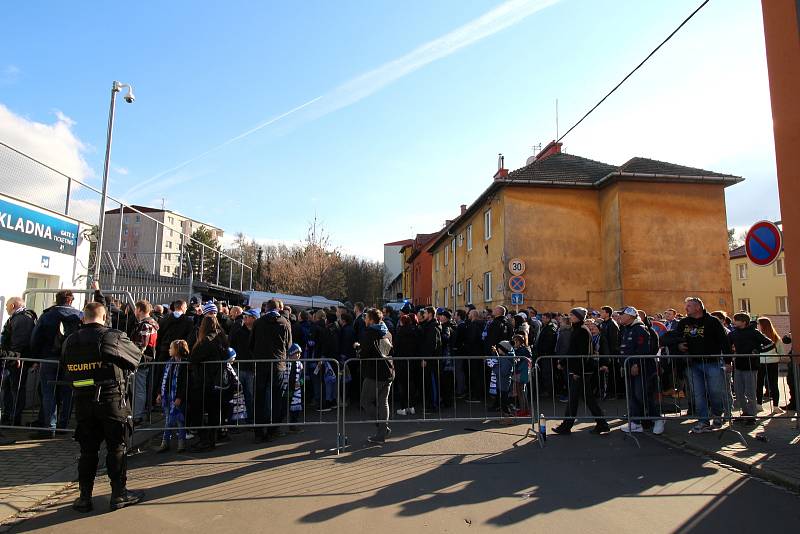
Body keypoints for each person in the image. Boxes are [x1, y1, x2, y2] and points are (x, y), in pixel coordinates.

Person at [61, 302, 144, 512]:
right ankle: (119, 494)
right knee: (116, 447)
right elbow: (136, 358)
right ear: (105, 316)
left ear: (84, 317)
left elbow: (65, 367)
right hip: (111, 400)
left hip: (82, 402)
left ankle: (84, 497)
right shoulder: (111, 336)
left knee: (88, 450)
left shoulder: (70, 340)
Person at [29, 289, 82, 437]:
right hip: (70, 359)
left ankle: (49, 426)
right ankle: (63, 425)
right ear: (71, 301)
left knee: (48, 392)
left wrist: (35, 357)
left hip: (49, 357)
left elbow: (36, 337)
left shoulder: (47, 315)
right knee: (68, 392)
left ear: (56, 300)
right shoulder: (78, 316)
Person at [676, 297, 732, 433]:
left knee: (715, 392)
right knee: (698, 394)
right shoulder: (683, 323)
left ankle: (717, 414)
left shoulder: (713, 321)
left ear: (698, 307)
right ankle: (703, 421)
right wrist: (678, 345)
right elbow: (675, 337)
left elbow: (724, 341)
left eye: (689, 306)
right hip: (693, 364)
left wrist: (728, 361)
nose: (686, 308)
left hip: (712, 362)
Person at [552, 308, 610, 435]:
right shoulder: (577, 329)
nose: (570, 316)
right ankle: (602, 423)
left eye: (572, 314)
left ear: (578, 317)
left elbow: (582, 354)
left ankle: (566, 426)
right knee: (588, 398)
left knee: (574, 399)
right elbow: (572, 350)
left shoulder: (582, 330)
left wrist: (577, 372)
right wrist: (563, 362)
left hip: (580, 370)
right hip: (579, 369)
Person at [249, 299, 292, 442]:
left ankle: (258, 432)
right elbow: (289, 344)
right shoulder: (284, 323)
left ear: (266, 309)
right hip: (278, 364)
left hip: (261, 364)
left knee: (259, 398)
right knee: (276, 397)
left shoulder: (258, 323)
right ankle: (273, 429)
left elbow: (251, 343)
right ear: (278, 309)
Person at [617, 307, 663, 434]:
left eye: (623, 314)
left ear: (631, 316)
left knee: (642, 395)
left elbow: (643, 349)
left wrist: (636, 364)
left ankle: (657, 419)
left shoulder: (640, 329)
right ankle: (636, 422)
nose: (620, 317)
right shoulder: (627, 329)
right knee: (633, 396)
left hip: (642, 369)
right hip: (629, 367)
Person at [188, 315, 229, 451]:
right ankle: (211, 439)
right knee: (213, 411)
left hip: (206, 380)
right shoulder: (222, 337)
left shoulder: (207, 340)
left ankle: (205, 439)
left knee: (199, 410)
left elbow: (194, 358)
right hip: (218, 379)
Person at [728, 312, 774, 425]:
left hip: (751, 365)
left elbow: (770, 343)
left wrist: (758, 351)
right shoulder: (733, 334)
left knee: (750, 391)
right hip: (738, 365)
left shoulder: (754, 332)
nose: (733, 322)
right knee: (739, 392)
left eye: (736, 320)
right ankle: (745, 412)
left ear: (743, 322)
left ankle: (751, 415)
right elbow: (726, 345)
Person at [357, 308, 394, 444]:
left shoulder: (370, 333)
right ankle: (382, 432)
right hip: (388, 371)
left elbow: (364, 353)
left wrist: (358, 349)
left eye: (366, 318)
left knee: (365, 401)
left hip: (375, 373)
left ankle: (382, 430)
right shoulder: (387, 332)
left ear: (371, 320)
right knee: (383, 402)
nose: (365, 320)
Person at [1, 297, 36, 435]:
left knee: (15, 389)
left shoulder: (21, 319)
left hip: (15, 360)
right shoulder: (20, 318)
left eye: (7, 306)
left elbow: (19, 342)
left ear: (13, 305)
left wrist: (13, 356)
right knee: (10, 388)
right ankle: (9, 416)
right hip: (13, 359)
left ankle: (13, 417)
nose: (6, 309)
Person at [156, 340, 189, 452]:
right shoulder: (169, 363)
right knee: (167, 419)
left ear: (177, 350)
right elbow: (163, 379)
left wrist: (179, 397)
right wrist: (160, 393)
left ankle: (181, 443)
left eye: (171, 348)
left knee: (180, 420)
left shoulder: (184, 364)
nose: (169, 350)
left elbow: (184, 382)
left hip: (178, 396)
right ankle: (165, 442)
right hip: (168, 395)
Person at [130, 300, 159, 425]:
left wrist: (132, 356)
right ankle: (137, 413)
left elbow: (141, 345)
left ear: (140, 310)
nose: (135, 311)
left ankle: (137, 415)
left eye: (136, 309)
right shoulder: (150, 323)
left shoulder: (145, 325)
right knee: (139, 387)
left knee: (139, 388)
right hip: (145, 359)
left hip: (141, 360)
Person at [231, 309, 259, 424]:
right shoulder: (239, 332)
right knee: (237, 395)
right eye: (245, 316)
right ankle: (237, 420)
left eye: (248, 316)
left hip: (252, 369)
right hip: (239, 367)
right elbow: (232, 346)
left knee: (250, 395)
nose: (245, 318)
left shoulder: (258, 332)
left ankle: (250, 418)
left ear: (254, 318)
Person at [757, 317, 784, 414]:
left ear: (762, 325)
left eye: (758, 324)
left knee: (759, 384)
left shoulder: (758, 337)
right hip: (773, 362)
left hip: (760, 362)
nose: (757, 326)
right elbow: (781, 352)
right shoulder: (776, 337)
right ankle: (776, 406)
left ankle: (759, 405)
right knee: (774, 384)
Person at [511, 334, 531, 417]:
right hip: (522, 372)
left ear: (519, 342)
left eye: (515, 341)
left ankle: (524, 410)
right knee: (522, 392)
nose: (513, 343)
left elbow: (519, 361)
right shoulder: (524, 349)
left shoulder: (522, 350)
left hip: (521, 373)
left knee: (521, 392)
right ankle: (525, 410)